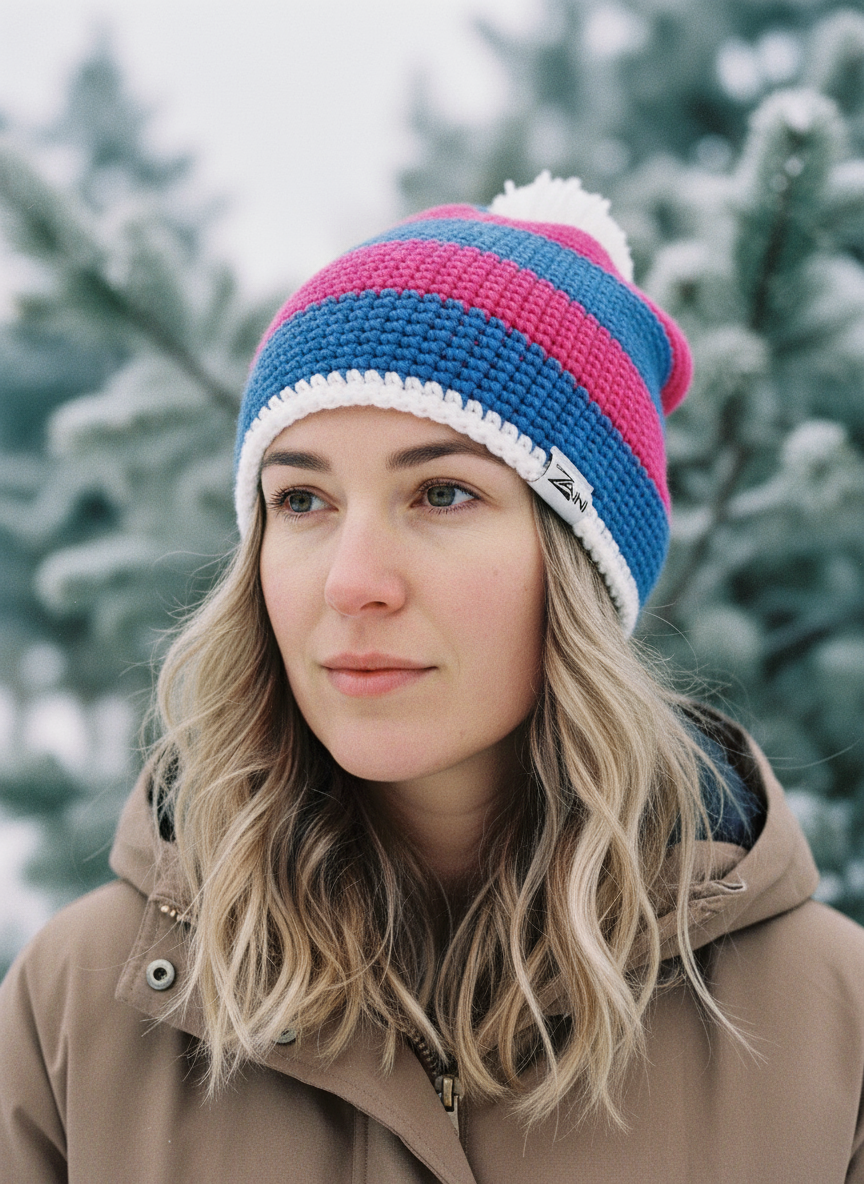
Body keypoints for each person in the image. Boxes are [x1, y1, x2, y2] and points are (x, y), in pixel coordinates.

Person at [1, 171, 863, 1184]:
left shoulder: (830, 1023)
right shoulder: (79, 999)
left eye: (442, 491)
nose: (354, 582)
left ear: (581, 562)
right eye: (303, 499)